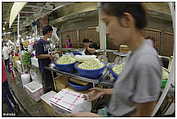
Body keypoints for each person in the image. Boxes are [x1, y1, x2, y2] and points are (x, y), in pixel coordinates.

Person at [71, 2, 161, 117]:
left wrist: (95, 117)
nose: (107, 31)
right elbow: (130, 92)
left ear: (126, 20)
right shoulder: (134, 53)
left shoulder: (146, 61)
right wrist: (104, 91)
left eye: (108, 22)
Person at [35, 25, 55, 93]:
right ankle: (46, 95)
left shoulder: (48, 42)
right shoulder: (39, 42)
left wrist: (53, 54)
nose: (52, 34)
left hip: (49, 66)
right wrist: (48, 55)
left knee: (51, 82)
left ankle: (52, 95)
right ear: (48, 32)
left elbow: (48, 52)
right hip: (43, 67)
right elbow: (38, 55)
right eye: (51, 32)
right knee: (46, 83)